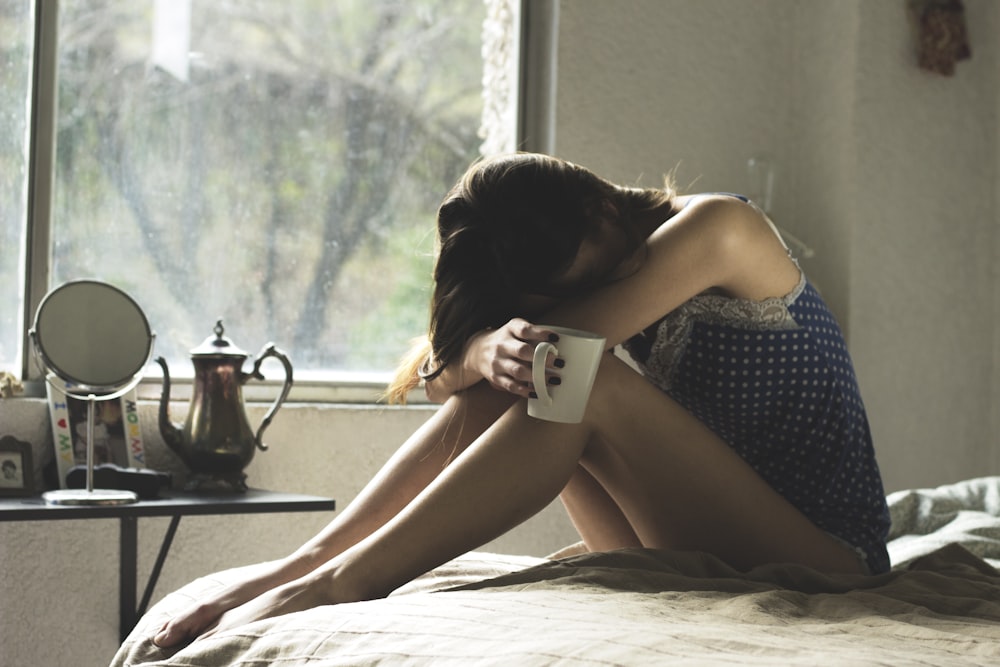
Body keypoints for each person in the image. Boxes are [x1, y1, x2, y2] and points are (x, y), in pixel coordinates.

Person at [153, 152, 890, 648]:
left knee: (572, 372)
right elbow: (441, 376)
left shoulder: (721, 227)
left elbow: (559, 352)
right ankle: (305, 565)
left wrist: (493, 348)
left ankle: (346, 580)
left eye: (581, 277)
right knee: (532, 373)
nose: (585, 293)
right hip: (696, 543)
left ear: (600, 207)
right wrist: (478, 347)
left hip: (822, 554)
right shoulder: (582, 258)